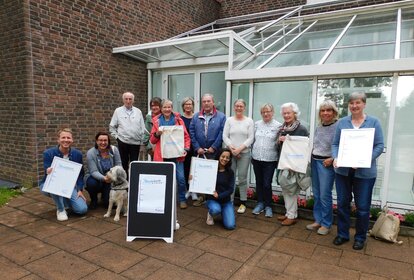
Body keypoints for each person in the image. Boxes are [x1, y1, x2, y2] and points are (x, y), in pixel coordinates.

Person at [332, 92, 384, 250]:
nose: (354, 106)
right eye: (351, 103)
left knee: (362, 207)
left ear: (364, 104)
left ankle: (360, 237)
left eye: (358, 103)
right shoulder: (342, 122)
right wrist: (336, 157)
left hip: (365, 174)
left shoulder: (374, 122)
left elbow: (380, 146)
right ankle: (342, 234)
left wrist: (364, 160)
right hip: (343, 172)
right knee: (342, 204)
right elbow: (335, 144)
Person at [39, 128, 88, 221]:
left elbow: (81, 174)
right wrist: (48, 171)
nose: (66, 140)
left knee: (82, 209)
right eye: (63, 137)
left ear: (72, 140)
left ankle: (65, 201)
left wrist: (79, 189)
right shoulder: (48, 153)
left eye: (68, 138)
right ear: (58, 140)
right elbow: (47, 169)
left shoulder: (77, 154)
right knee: (55, 185)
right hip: (51, 184)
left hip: (70, 186)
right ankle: (61, 209)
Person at [150, 99, 191, 209]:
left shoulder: (178, 120)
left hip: (177, 155)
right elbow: (152, 140)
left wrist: (186, 148)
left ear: (172, 108)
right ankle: (162, 199)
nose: (167, 109)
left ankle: (182, 199)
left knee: (181, 179)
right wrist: (157, 134)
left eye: (169, 107)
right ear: (161, 109)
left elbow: (186, 136)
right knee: (162, 178)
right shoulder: (156, 121)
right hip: (162, 156)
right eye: (165, 107)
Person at [306, 100, 338, 235]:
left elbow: (342, 146)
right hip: (315, 161)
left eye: (329, 110)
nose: (325, 113)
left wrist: (332, 159)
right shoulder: (319, 127)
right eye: (323, 110)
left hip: (327, 164)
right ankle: (318, 220)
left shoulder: (338, 126)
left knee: (325, 195)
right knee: (317, 194)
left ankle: (326, 223)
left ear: (334, 112)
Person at [189, 93, 226, 206]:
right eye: (204, 101)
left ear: (213, 102)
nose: (206, 103)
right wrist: (197, 147)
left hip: (214, 152)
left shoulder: (221, 116)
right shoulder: (196, 117)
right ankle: (201, 197)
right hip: (200, 151)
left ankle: (212, 199)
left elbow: (222, 133)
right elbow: (192, 132)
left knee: (214, 176)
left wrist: (213, 147)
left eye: (208, 101)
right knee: (200, 175)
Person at [276, 102, 309, 226]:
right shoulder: (282, 127)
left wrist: (289, 140)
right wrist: (279, 141)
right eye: (284, 113)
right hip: (284, 162)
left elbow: (304, 146)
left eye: (288, 113)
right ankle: (289, 213)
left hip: (294, 165)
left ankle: (292, 215)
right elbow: (279, 145)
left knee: (291, 190)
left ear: (295, 113)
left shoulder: (301, 128)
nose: (286, 115)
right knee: (286, 188)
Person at [223, 99, 254, 214]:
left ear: (244, 108)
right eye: (237, 106)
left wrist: (239, 149)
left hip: (244, 154)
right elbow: (225, 136)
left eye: (241, 106)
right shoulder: (229, 120)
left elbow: (251, 138)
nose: (239, 108)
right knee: (230, 177)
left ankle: (243, 202)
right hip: (231, 154)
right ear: (234, 107)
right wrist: (232, 149)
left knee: (242, 178)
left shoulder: (249, 121)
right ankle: (229, 201)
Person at [251, 103, 281, 218]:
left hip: (270, 160)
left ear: (272, 112)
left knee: (267, 183)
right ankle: (260, 203)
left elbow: (280, 143)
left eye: (268, 111)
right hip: (256, 158)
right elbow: (252, 140)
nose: (265, 114)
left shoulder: (278, 126)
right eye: (263, 112)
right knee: (259, 182)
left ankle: (268, 206)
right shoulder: (257, 124)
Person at [109, 91, 145, 174]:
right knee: (123, 163)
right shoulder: (118, 111)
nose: (128, 101)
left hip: (135, 142)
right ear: (123, 100)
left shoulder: (138, 111)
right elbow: (112, 126)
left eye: (130, 99)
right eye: (126, 99)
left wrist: (142, 142)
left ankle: (133, 183)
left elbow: (142, 127)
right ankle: (125, 183)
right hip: (123, 142)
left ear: (133, 100)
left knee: (135, 164)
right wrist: (117, 137)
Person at [85, 131, 122, 209]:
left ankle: (105, 197)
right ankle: (94, 199)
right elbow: (93, 171)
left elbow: (119, 165)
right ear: (96, 141)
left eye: (105, 140)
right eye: (100, 140)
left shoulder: (114, 150)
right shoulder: (91, 153)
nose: (103, 142)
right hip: (96, 179)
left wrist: (113, 177)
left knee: (107, 204)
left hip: (110, 179)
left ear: (108, 141)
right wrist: (104, 178)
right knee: (91, 183)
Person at [205, 148, 236, 230]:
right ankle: (211, 213)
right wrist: (192, 178)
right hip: (212, 199)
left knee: (230, 226)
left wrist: (219, 196)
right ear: (219, 156)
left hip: (225, 201)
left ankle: (224, 211)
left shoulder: (230, 172)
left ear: (229, 159)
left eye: (227, 157)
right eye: (223, 156)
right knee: (215, 210)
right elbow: (202, 181)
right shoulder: (211, 169)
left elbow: (231, 189)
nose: (225, 159)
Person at [180, 97, 198, 202]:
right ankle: (188, 190)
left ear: (193, 106)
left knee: (195, 169)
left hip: (195, 147)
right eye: (186, 104)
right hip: (184, 149)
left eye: (190, 104)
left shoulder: (196, 117)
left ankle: (194, 190)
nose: (188, 106)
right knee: (186, 170)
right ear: (183, 106)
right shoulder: (180, 119)